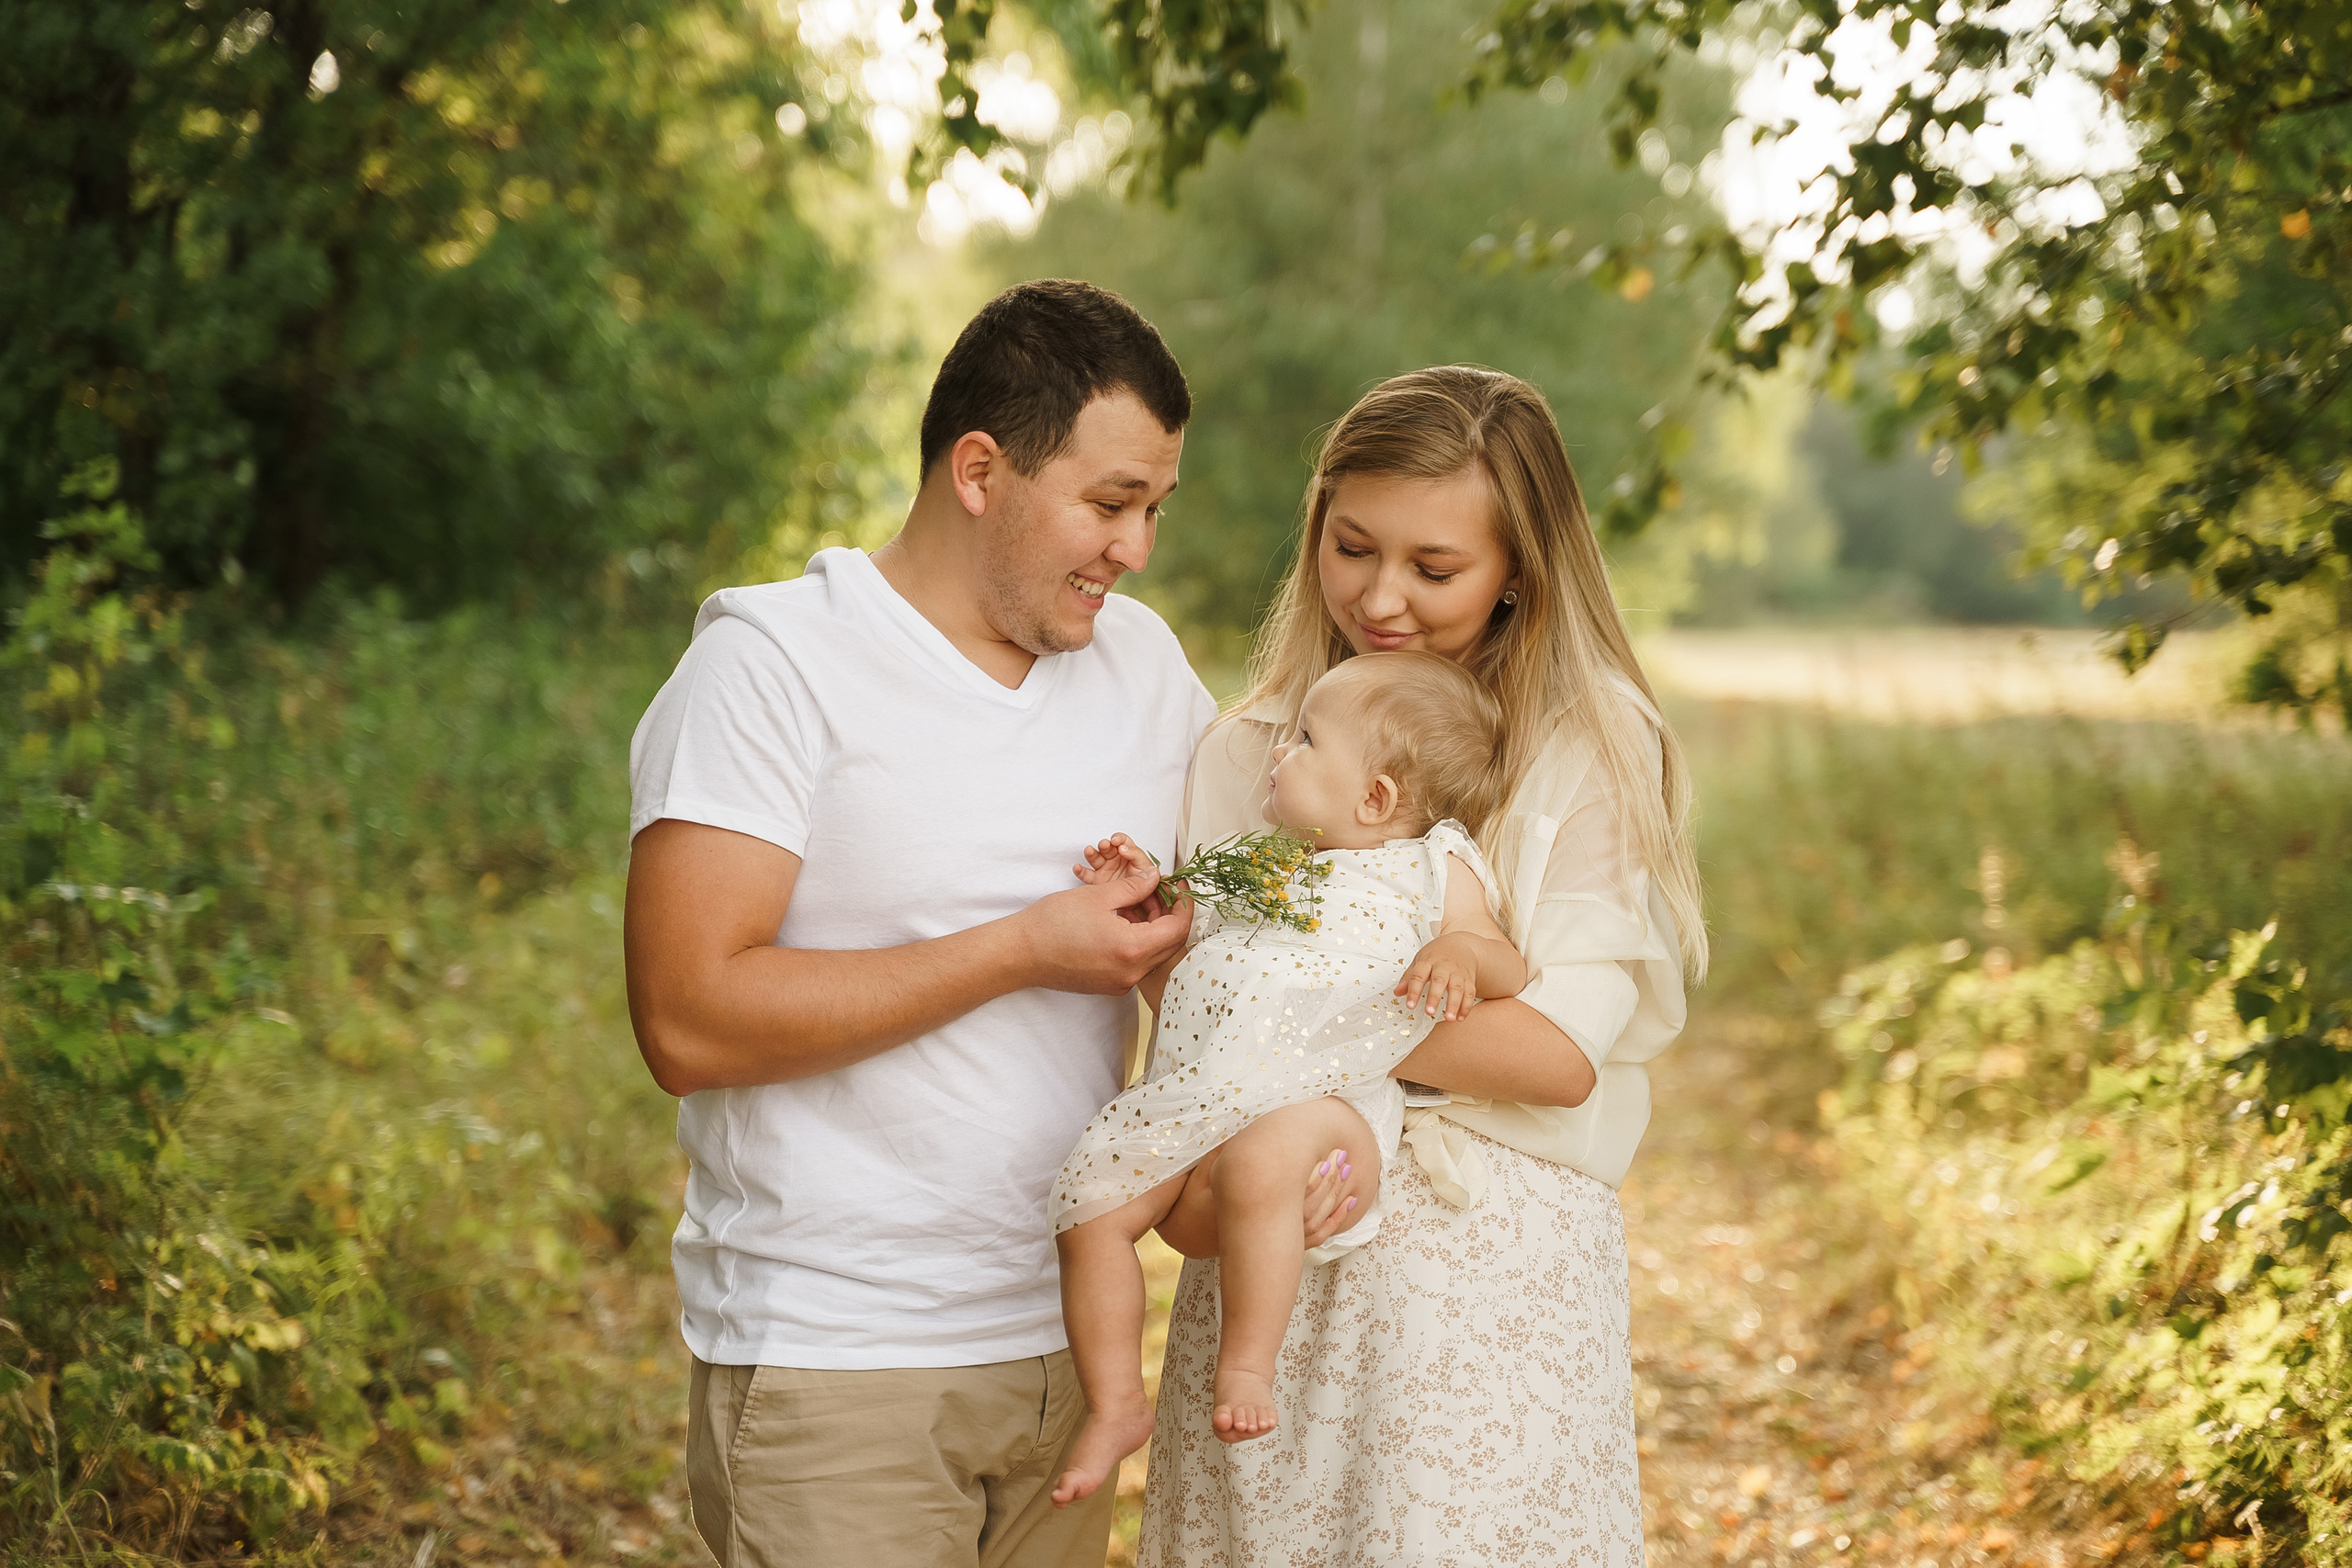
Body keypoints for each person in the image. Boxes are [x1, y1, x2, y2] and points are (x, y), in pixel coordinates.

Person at [622, 279, 1216, 1568]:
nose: (1136, 548)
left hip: (1071, 1346)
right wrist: (1023, 948)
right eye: (1110, 503)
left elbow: (1213, 965)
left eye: (1155, 508)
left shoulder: (1148, 667)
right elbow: (684, 1017)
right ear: (980, 468)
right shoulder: (773, 663)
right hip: (840, 1359)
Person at [1138, 366, 1706, 1565]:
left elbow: (1552, 1056)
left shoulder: (1590, 744)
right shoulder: (1256, 754)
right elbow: (1187, 1051)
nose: (1380, 597)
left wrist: (1271, 1002)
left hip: (1487, 1282)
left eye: (1434, 568)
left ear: (1520, 571)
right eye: (1352, 547)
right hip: (1275, 1265)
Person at [1045, 651, 1525, 1508]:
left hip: (1324, 1102)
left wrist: (1459, 953)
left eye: (1307, 740)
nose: (1280, 751)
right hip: (1203, 1096)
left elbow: (1503, 959)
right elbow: (1186, 967)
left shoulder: (1427, 865)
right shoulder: (1265, 868)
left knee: (1268, 1162)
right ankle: (1116, 1402)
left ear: (1375, 798)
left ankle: (1246, 1365)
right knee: (1088, 1211)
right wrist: (1148, 896)